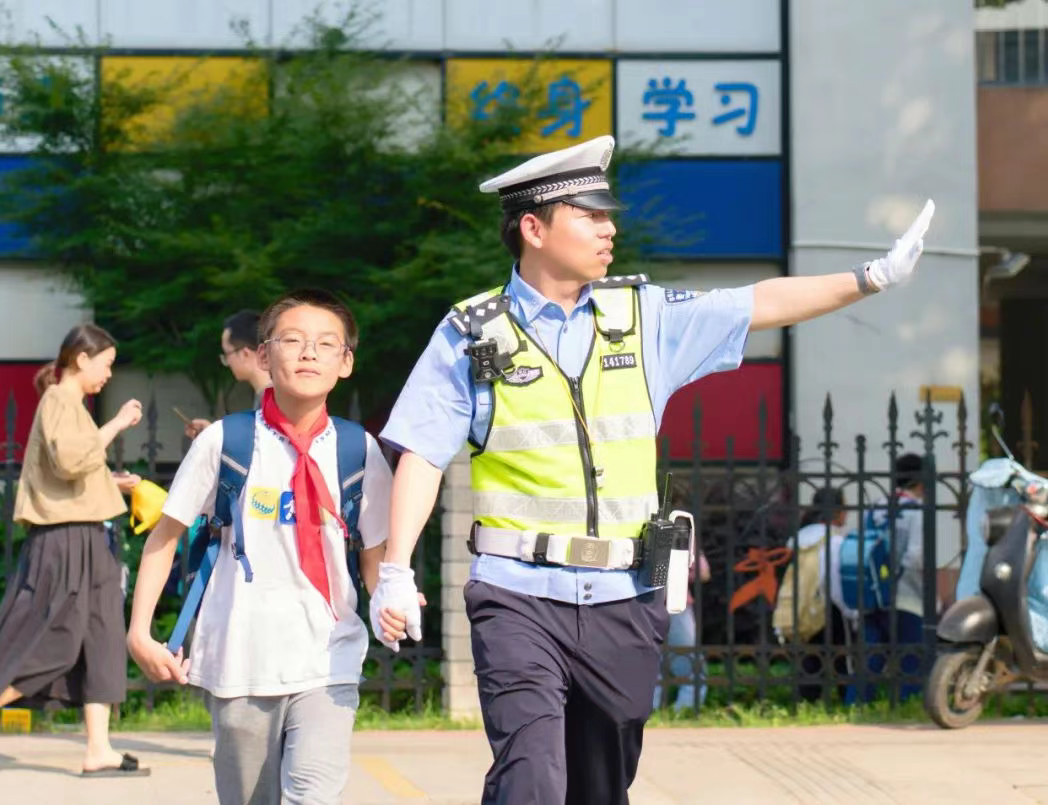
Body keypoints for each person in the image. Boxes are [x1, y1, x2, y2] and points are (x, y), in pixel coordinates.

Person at [370, 134, 934, 803]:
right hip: (517, 593)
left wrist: (872, 277)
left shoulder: (641, 316)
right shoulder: (472, 329)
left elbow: (760, 301)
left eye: (609, 214)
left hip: (624, 597)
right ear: (533, 227)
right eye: (591, 214)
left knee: (601, 787)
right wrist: (396, 570)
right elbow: (424, 453)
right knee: (533, 777)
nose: (610, 228)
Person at [126, 289, 396, 805]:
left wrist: (391, 598)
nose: (308, 353)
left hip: (329, 657)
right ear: (265, 355)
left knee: (312, 797)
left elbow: (373, 555)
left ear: (346, 362)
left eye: (325, 343)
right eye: (292, 340)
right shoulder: (223, 442)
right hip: (240, 661)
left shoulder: (357, 449)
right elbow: (164, 539)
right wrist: (140, 631)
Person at [0, 324, 146, 776]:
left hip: (87, 535)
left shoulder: (71, 405)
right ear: (82, 359)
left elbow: (72, 470)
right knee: (54, 640)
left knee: (101, 637)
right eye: (105, 364)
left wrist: (112, 482)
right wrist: (118, 424)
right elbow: (70, 461)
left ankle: (99, 748)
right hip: (66, 540)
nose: (108, 374)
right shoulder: (59, 400)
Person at [857, 453, 928, 702]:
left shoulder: (877, 505)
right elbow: (916, 557)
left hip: (873, 592)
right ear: (921, 481)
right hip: (906, 596)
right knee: (912, 656)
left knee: (871, 656)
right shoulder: (916, 510)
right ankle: (907, 704)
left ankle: (858, 704)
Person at [786, 487, 855, 702]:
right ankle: (849, 703)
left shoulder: (797, 539)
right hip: (829, 608)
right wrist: (851, 612)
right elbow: (834, 582)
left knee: (809, 659)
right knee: (843, 660)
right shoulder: (834, 542)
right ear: (837, 512)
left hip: (800, 605)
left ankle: (806, 704)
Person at [186, 309, 273, 439]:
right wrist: (214, 434)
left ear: (245, 354)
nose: (227, 362)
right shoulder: (271, 394)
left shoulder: (272, 399)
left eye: (227, 354)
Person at [653, 546, 710, 713]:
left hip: (639, 603)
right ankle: (685, 712)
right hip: (675, 604)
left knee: (647, 663)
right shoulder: (681, 524)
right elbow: (703, 572)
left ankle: (649, 713)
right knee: (690, 666)